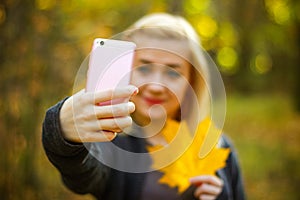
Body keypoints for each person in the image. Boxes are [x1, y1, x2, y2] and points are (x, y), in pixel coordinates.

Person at [42, 13, 245, 200]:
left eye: (173, 73)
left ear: (192, 82)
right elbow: (82, 175)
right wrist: (61, 132)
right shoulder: (110, 142)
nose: (156, 86)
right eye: (144, 68)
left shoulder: (218, 146)